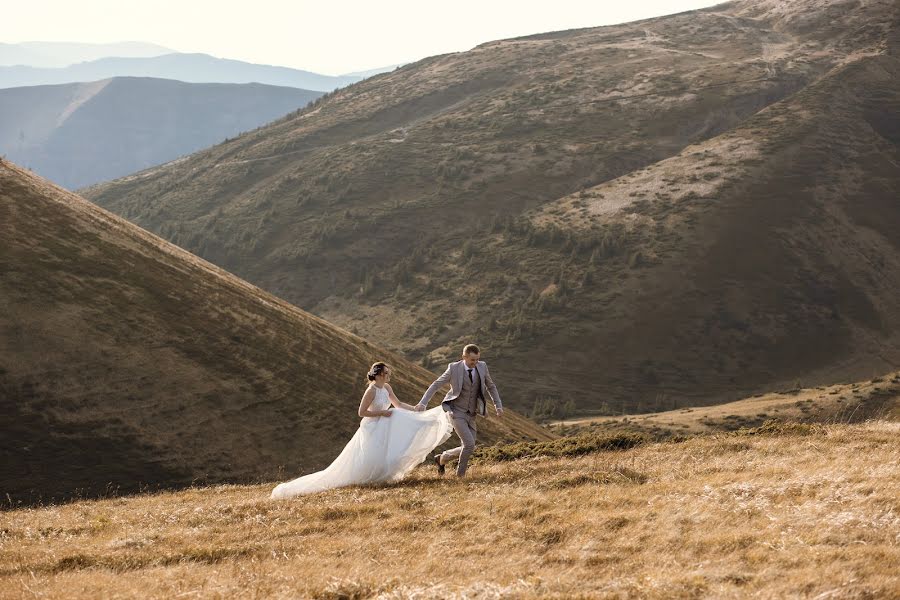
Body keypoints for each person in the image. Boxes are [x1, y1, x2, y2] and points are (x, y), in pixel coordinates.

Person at [270, 362, 452, 498]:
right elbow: (361, 412)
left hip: (385, 423)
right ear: (379, 374)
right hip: (372, 426)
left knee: (396, 433)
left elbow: (397, 404)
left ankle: (382, 475)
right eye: (387, 373)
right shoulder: (371, 391)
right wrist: (382, 412)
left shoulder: (387, 387)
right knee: (370, 455)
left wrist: (414, 408)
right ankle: (365, 477)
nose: (389, 376)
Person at [415, 344, 503, 477]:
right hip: (456, 412)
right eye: (473, 360)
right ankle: (460, 476)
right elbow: (436, 384)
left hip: (472, 413)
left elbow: (491, 386)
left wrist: (498, 405)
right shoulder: (453, 368)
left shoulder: (482, 366)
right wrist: (423, 402)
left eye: (477, 359)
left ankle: (442, 458)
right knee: (469, 444)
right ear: (464, 357)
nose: (475, 362)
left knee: (470, 447)